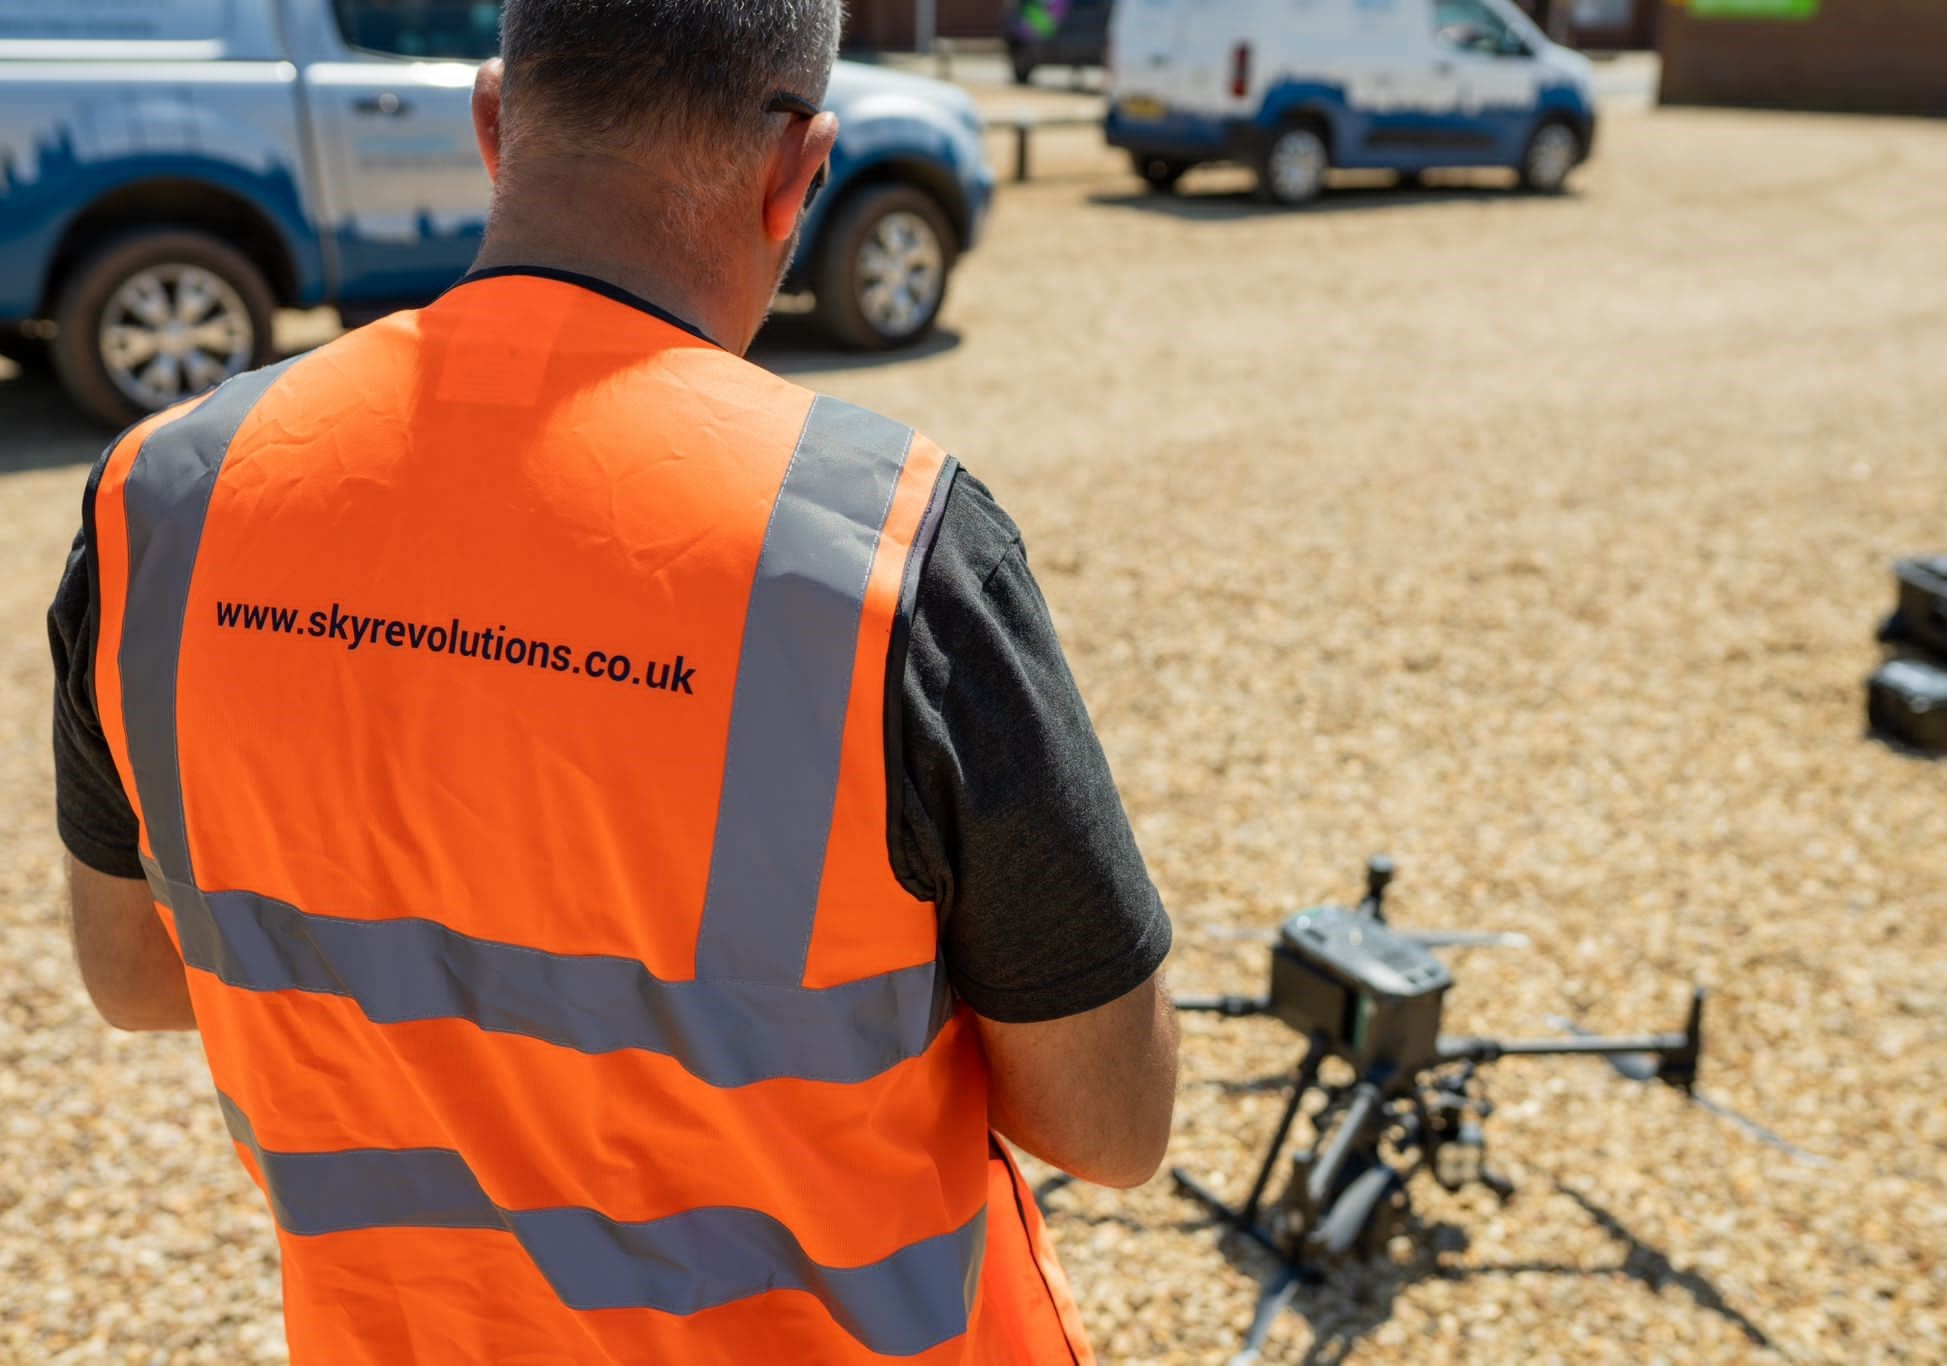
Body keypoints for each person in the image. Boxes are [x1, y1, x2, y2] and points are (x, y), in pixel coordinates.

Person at [44, 1, 1178, 1359]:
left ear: (491, 125)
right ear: (796, 174)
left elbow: (137, 974)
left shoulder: (163, 503)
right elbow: (1110, 1123)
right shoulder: (885, 552)